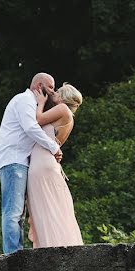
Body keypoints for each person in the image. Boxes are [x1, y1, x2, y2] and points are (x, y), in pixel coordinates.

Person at [0, 73, 63, 254]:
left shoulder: (30, 103)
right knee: (13, 212)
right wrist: (53, 147)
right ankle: (13, 255)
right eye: (50, 87)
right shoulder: (24, 100)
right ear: (39, 87)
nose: (53, 92)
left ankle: (17, 253)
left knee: (19, 214)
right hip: (14, 161)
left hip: (19, 161)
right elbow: (30, 127)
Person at [26, 83, 84, 248]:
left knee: (45, 209)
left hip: (41, 164)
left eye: (58, 91)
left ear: (64, 97)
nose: (54, 93)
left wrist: (41, 102)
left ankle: (49, 246)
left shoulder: (62, 109)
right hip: (45, 163)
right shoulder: (67, 117)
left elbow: (36, 120)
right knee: (49, 209)